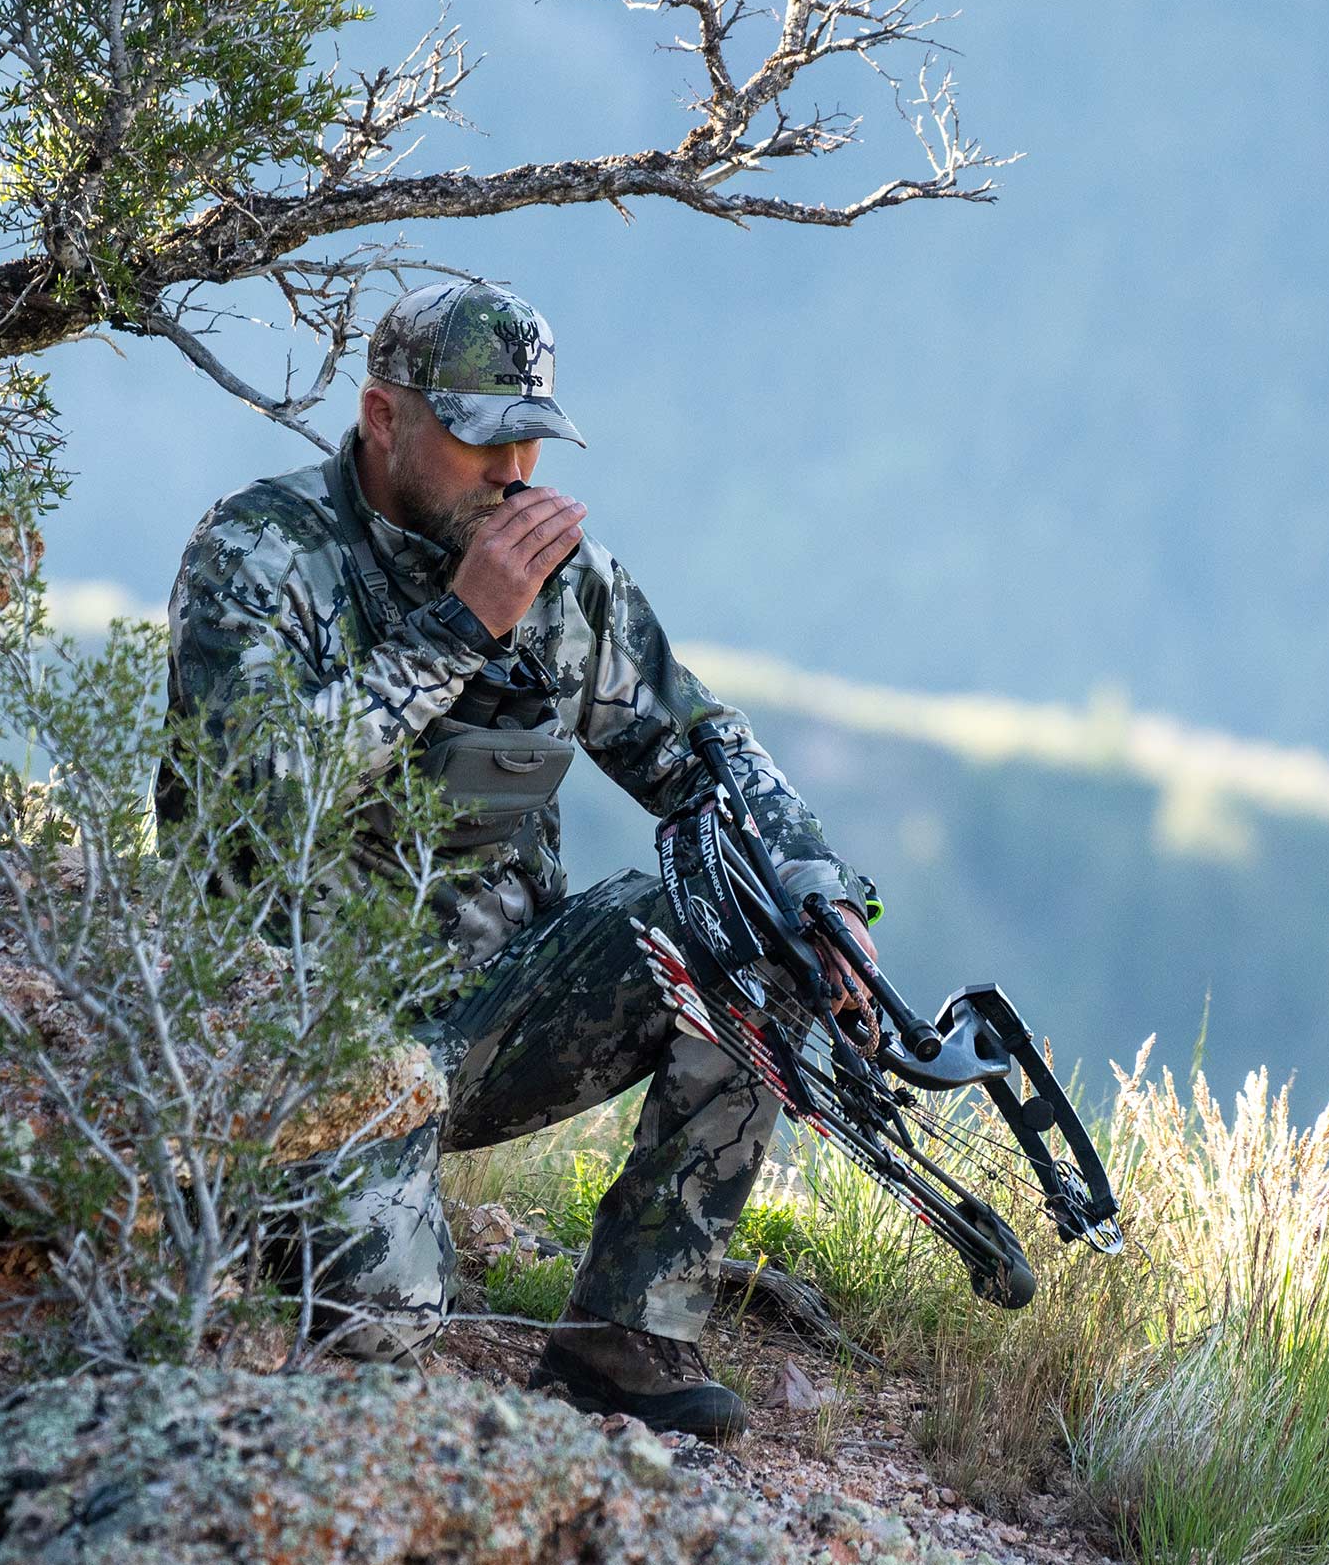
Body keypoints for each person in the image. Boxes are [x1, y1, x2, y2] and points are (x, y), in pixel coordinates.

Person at [163, 279, 880, 1442]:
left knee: (753, 921)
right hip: (302, 1037)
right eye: (480, 439)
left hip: (490, 1021)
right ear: (384, 419)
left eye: (530, 439)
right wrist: (457, 630)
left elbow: (698, 745)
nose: (514, 473)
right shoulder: (260, 551)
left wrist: (817, 887)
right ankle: (261, 1212)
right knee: (385, 1336)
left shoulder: (556, 574)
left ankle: (626, 1334)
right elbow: (254, 798)